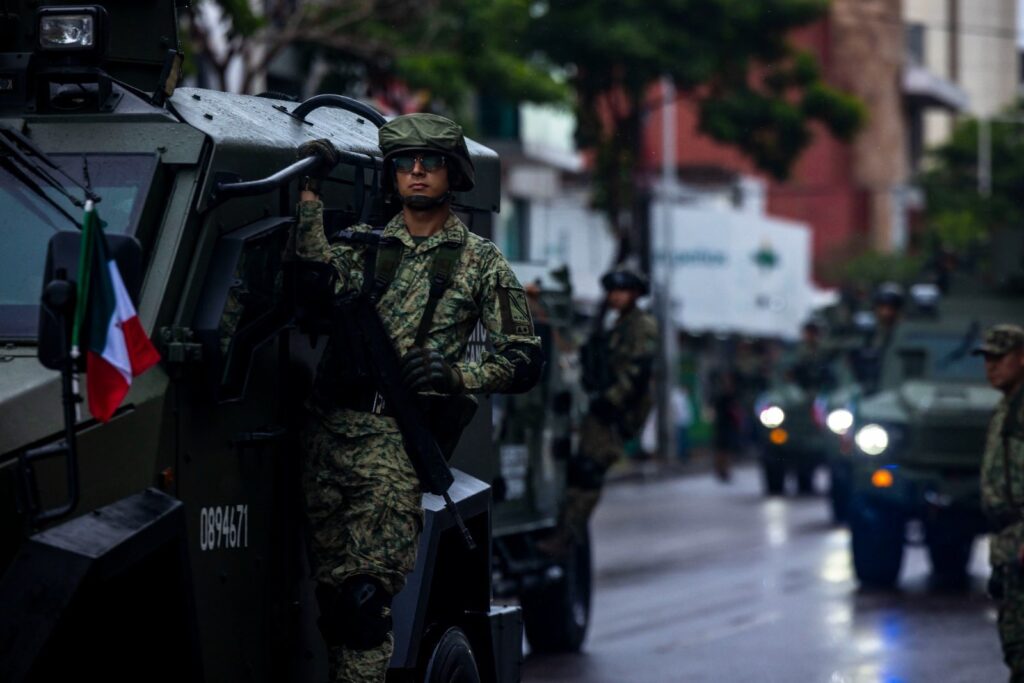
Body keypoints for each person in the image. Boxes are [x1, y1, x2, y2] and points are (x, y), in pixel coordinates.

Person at [292, 113, 542, 682]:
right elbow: (315, 279)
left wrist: (457, 376)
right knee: (330, 604)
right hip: (327, 437)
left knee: (363, 606)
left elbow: (524, 360)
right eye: (405, 164)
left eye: (431, 163)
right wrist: (308, 194)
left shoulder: (481, 262)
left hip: (393, 447)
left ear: (453, 174)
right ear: (392, 176)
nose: (418, 173)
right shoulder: (367, 247)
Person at [538, 267, 658, 555]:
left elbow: (638, 371)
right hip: (604, 407)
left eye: (623, 292)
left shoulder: (642, 326)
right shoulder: (618, 324)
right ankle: (565, 533)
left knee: (588, 473)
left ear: (636, 294)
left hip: (616, 412)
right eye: (613, 292)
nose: (616, 297)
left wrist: (612, 400)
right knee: (580, 471)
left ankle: (567, 538)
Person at [978, 324, 1024, 683]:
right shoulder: (1006, 405)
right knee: (1013, 644)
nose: (991, 367)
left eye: (1000, 358)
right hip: (1007, 541)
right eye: (987, 359)